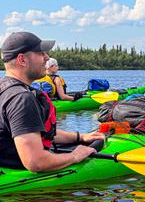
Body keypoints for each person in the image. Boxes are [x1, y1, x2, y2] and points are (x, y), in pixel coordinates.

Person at [0, 32, 105, 172]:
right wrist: (75, 156)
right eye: (40, 53)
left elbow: (34, 132)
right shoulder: (21, 98)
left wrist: (80, 136)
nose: (47, 57)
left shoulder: (5, 87)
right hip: (16, 173)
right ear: (22, 60)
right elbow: (36, 162)